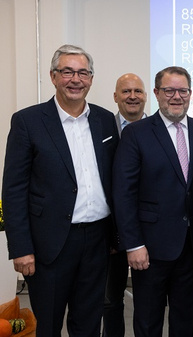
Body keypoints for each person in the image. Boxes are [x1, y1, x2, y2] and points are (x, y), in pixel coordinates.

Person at [2, 44, 119, 337]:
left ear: (91, 79)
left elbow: (115, 181)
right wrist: (21, 248)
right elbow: (13, 189)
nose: (75, 79)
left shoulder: (105, 120)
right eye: (67, 72)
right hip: (49, 244)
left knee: (89, 322)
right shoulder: (28, 121)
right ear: (54, 77)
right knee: (48, 325)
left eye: (82, 72)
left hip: (97, 240)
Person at [112, 66, 193, 336]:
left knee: (186, 318)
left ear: (190, 94)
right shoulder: (137, 133)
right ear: (157, 93)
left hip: (192, 247)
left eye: (182, 90)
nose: (176, 96)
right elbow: (124, 193)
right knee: (148, 320)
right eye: (169, 90)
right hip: (150, 248)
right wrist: (133, 244)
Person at [103, 73, 147, 337]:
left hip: (148, 230)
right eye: (126, 91)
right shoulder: (100, 127)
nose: (132, 96)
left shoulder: (158, 129)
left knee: (148, 300)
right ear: (115, 97)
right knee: (110, 299)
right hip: (109, 231)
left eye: (138, 91)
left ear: (146, 95)